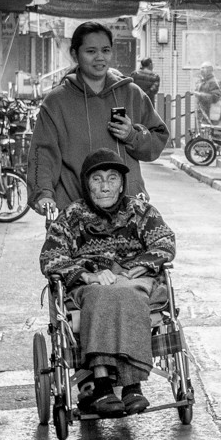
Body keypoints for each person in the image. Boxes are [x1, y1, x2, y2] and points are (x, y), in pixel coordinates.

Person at [40, 149, 176, 416]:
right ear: (86, 183)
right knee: (101, 295)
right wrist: (88, 275)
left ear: (122, 183)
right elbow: (50, 257)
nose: (105, 187)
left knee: (126, 292)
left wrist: (134, 270)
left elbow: (165, 242)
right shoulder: (72, 216)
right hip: (90, 284)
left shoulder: (140, 211)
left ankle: (129, 387)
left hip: (134, 280)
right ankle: (106, 385)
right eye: (97, 179)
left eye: (112, 179)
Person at [27, 21, 169, 215]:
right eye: (91, 51)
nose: (100, 58)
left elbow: (156, 143)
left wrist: (132, 136)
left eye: (105, 50)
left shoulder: (131, 94)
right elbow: (42, 154)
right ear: (75, 54)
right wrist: (43, 194)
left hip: (127, 215)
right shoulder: (56, 101)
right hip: (74, 212)